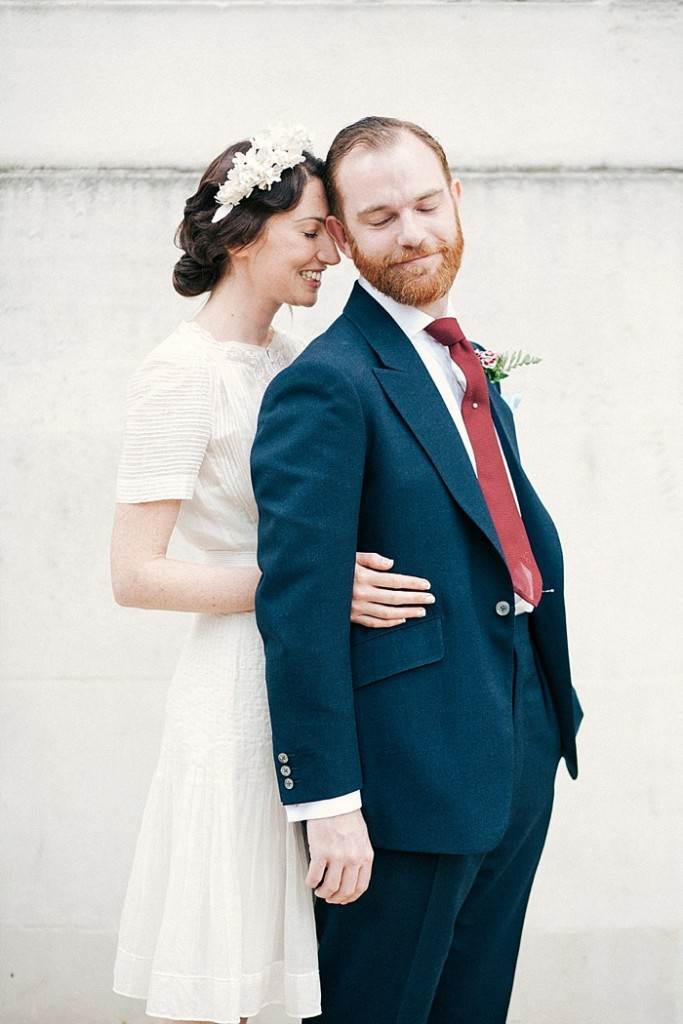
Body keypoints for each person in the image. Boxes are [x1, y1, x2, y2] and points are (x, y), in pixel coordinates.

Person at [250, 116, 585, 1023]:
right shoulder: (328, 381)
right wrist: (327, 800)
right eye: (383, 215)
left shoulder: (459, 356)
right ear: (346, 237)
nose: (413, 232)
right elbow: (297, 604)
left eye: (427, 204)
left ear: (457, 200)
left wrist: (545, 724)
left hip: (519, 745)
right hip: (404, 777)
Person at [110, 127, 435, 1024]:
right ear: (244, 238)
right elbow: (136, 575)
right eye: (311, 232)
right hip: (237, 697)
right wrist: (308, 583)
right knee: (237, 965)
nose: (333, 253)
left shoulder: (300, 366)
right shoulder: (179, 375)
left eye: (334, 232)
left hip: (321, 686)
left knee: (315, 974)